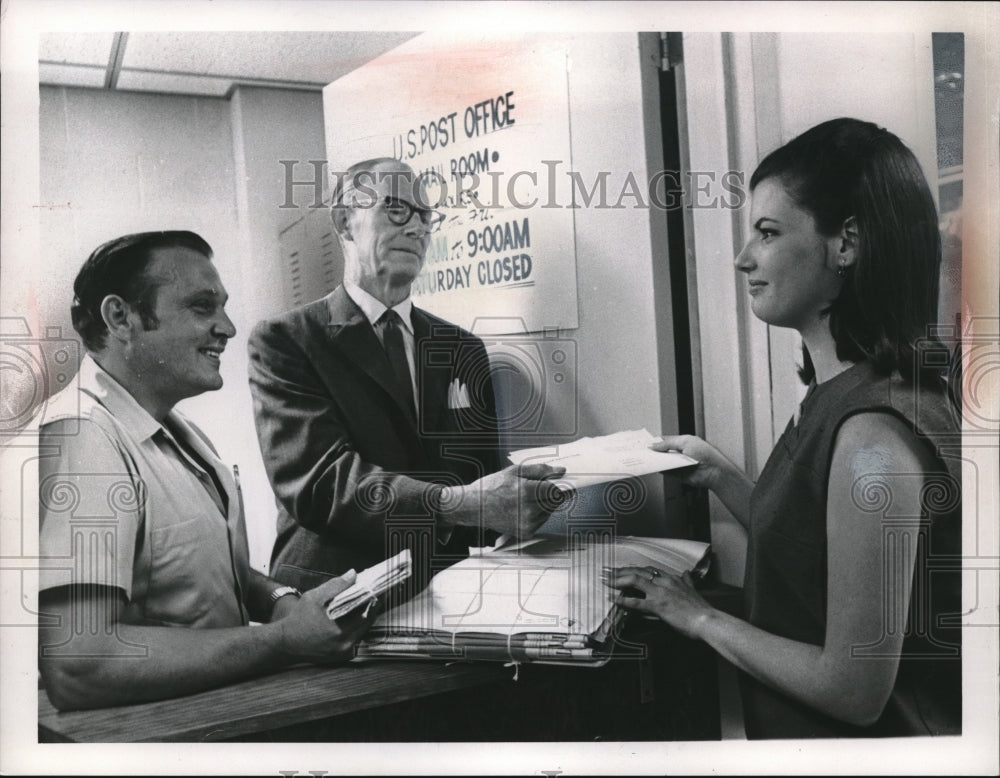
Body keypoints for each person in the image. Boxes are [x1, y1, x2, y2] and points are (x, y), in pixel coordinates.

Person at [609, 118, 962, 738]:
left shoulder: (872, 435)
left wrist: (698, 618)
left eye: (767, 233)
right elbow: (815, 556)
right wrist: (720, 475)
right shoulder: (839, 397)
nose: (743, 258)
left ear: (845, 244)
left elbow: (853, 690)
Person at [38, 231, 372, 712]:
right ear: (121, 318)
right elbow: (81, 662)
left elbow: (207, 572)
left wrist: (281, 600)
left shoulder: (179, 433)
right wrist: (283, 640)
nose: (229, 328)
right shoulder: (83, 439)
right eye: (202, 307)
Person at [248, 158, 564, 592]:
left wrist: (517, 510)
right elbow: (322, 483)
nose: (417, 228)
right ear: (345, 221)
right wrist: (463, 504)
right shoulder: (286, 340)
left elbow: (481, 474)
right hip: (336, 596)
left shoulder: (461, 348)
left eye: (425, 216)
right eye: (396, 210)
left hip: (449, 590)